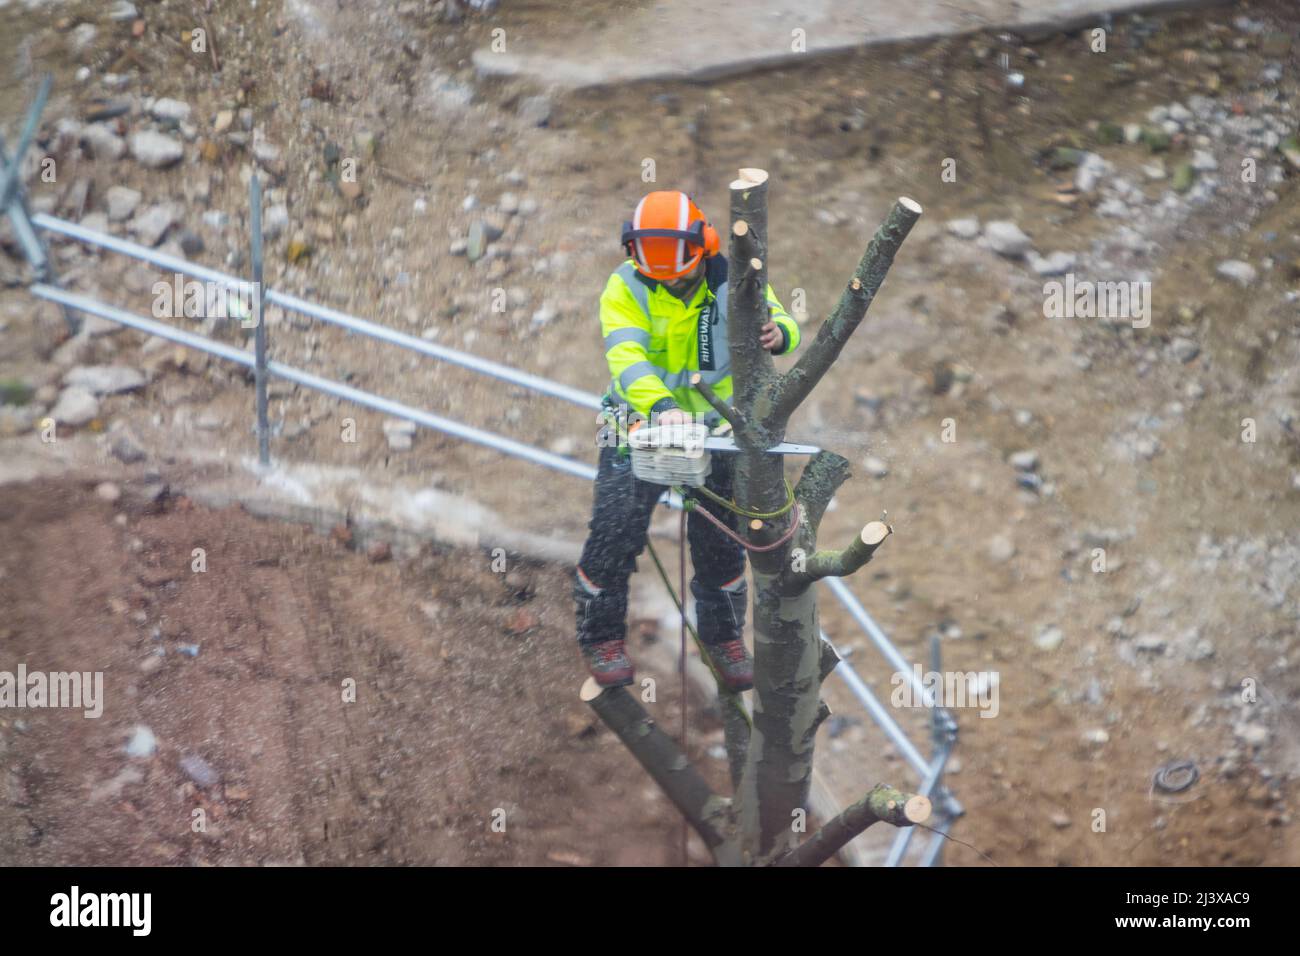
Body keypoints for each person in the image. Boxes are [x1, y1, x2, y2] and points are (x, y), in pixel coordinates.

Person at [574, 189, 801, 690]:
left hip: (718, 430)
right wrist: (661, 408)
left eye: (679, 270)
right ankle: (600, 635)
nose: (670, 280)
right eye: (658, 272)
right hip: (636, 424)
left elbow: (782, 318)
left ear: (704, 249)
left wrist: (780, 334)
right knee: (614, 531)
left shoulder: (733, 280)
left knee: (720, 541)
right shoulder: (626, 287)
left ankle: (722, 638)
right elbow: (627, 359)